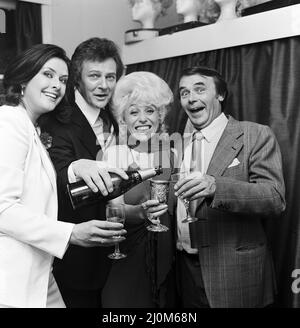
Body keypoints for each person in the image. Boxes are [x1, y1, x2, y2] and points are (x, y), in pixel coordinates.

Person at [0, 44, 126, 308]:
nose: (56, 85)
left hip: (39, 271)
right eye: (47, 74)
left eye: (62, 79)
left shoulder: (32, 127)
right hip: (12, 276)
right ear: (24, 77)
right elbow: (3, 209)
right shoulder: (8, 121)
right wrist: (71, 233)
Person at [173, 66, 285, 307]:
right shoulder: (178, 142)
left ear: (220, 94)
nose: (191, 98)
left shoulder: (253, 134)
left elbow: (274, 198)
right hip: (184, 270)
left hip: (234, 271)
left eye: (199, 89)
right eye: (184, 93)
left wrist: (216, 187)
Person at [40, 38, 128, 308]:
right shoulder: (55, 118)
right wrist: (76, 167)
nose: (104, 85)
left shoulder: (110, 119)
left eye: (110, 77)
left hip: (108, 255)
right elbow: (55, 168)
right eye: (94, 76)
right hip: (73, 261)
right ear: (76, 79)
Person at [101, 71, 177, 308]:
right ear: (123, 118)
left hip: (165, 251)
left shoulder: (171, 154)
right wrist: (141, 214)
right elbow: (111, 210)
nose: (142, 118)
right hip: (127, 251)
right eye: (134, 111)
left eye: (150, 110)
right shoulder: (115, 154)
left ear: (160, 115)